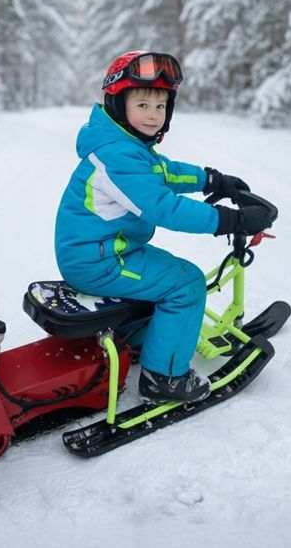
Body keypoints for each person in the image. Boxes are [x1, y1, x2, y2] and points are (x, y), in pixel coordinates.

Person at [54, 50, 273, 404]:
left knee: (164, 271)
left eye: (160, 106)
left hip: (111, 249)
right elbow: (161, 206)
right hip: (100, 262)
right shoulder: (117, 155)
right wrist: (228, 220)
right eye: (142, 105)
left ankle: (143, 337)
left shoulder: (126, 146)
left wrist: (212, 179)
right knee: (185, 283)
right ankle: (164, 378)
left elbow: (165, 172)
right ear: (117, 104)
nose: (153, 115)